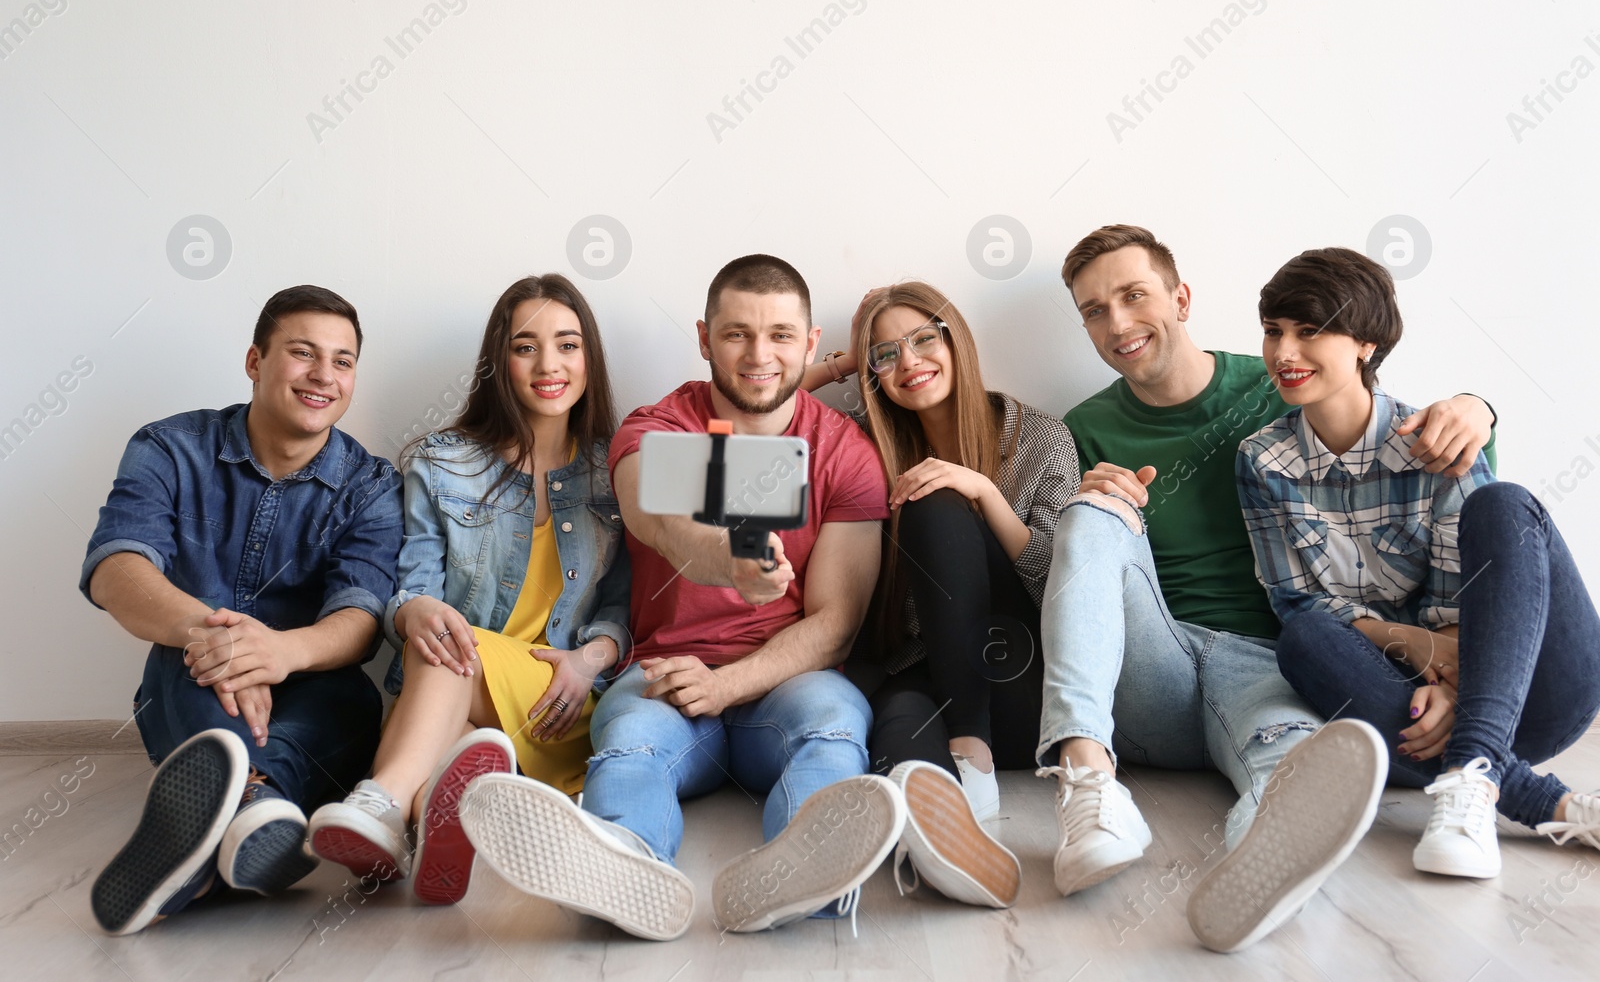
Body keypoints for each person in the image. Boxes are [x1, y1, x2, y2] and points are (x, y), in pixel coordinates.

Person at [1036, 225, 1498, 952]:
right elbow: (1069, 578)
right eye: (1094, 310)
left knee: (1291, 767)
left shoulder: (1283, 381)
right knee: (1091, 513)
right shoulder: (1087, 424)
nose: (1117, 323)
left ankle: (1261, 874)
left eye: (1133, 295)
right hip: (1152, 663)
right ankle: (1089, 785)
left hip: (1271, 666)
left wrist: (1478, 403)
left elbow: (1421, 441)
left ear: (1181, 298)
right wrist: (1094, 501)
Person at [457, 254, 905, 941]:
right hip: (665, 674)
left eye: (781, 335)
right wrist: (733, 563)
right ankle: (625, 870)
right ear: (704, 338)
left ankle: (805, 875)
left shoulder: (844, 452)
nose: (760, 354)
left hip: (785, 682)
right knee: (630, 739)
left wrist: (726, 685)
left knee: (836, 722)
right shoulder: (656, 426)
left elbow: (836, 625)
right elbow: (656, 522)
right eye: (737, 334)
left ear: (811, 344)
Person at [1239, 246, 1600, 879]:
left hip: (1532, 697)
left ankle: (1481, 762)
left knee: (1506, 504)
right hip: (1403, 717)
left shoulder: (1436, 436)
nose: (1284, 353)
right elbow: (1298, 601)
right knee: (1303, 638)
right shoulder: (1262, 461)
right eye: (1274, 332)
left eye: (1310, 331)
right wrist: (1413, 646)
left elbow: (1480, 594)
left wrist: (1454, 665)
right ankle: (1506, 785)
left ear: (1367, 345)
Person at [80, 286, 402, 936]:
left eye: (343, 361)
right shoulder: (169, 446)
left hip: (316, 693)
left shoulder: (372, 484)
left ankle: (214, 835)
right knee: (184, 650)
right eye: (303, 353)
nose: (324, 375)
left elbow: (361, 616)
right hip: (190, 679)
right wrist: (219, 637)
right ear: (255, 360)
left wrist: (280, 652)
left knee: (353, 701)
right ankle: (254, 811)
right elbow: (117, 568)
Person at [305, 274, 632, 905]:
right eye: (525, 346)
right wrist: (414, 608)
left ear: (589, 357)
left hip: (557, 697)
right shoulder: (441, 460)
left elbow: (623, 602)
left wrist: (591, 657)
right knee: (448, 648)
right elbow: (413, 587)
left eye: (567, 345)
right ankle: (434, 824)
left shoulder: (615, 466)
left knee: (454, 654)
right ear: (498, 361)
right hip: (446, 685)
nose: (549, 365)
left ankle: (382, 803)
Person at [805, 282, 1078, 910]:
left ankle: (969, 747)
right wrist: (844, 361)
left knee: (936, 503)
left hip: (1016, 686)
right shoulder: (862, 443)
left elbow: (1061, 588)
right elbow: (757, 406)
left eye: (925, 339)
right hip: (922, 678)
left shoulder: (1039, 438)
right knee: (898, 719)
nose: (909, 362)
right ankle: (936, 840)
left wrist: (982, 490)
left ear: (956, 339)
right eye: (885, 354)